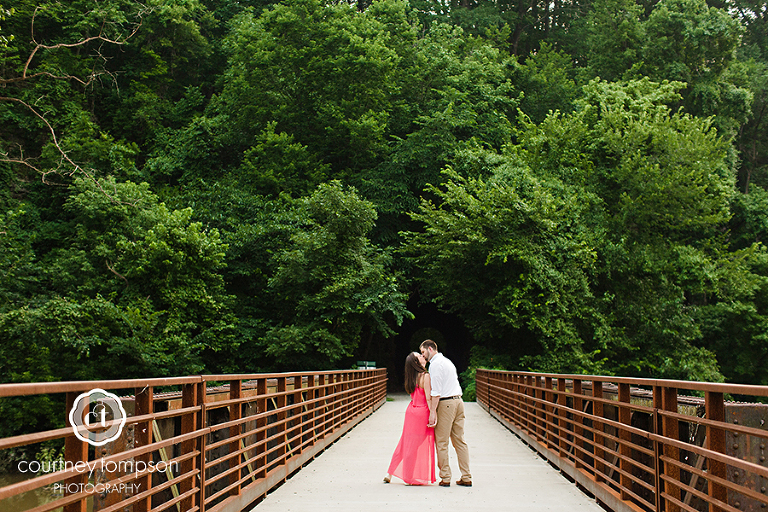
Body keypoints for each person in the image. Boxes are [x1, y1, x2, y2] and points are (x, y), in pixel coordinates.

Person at [420, 339, 472, 487]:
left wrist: (433, 412)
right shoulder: (447, 361)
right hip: (458, 401)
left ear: (430, 348)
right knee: (460, 441)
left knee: (442, 442)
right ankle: (466, 476)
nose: (423, 356)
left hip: (446, 403)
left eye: (423, 352)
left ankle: (445, 477)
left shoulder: (435, 365)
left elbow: (436, 392)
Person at [384, 352, 436, 485]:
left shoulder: (411, 377)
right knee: (414, 446)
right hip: (422, 412)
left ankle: (389, 473)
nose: (422, 356)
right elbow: (429, 399)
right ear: (416, 362)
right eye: (419, 356)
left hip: (411, 410)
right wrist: (432, 414)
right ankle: (408, 476)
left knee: (404, 443)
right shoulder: (425, 377)